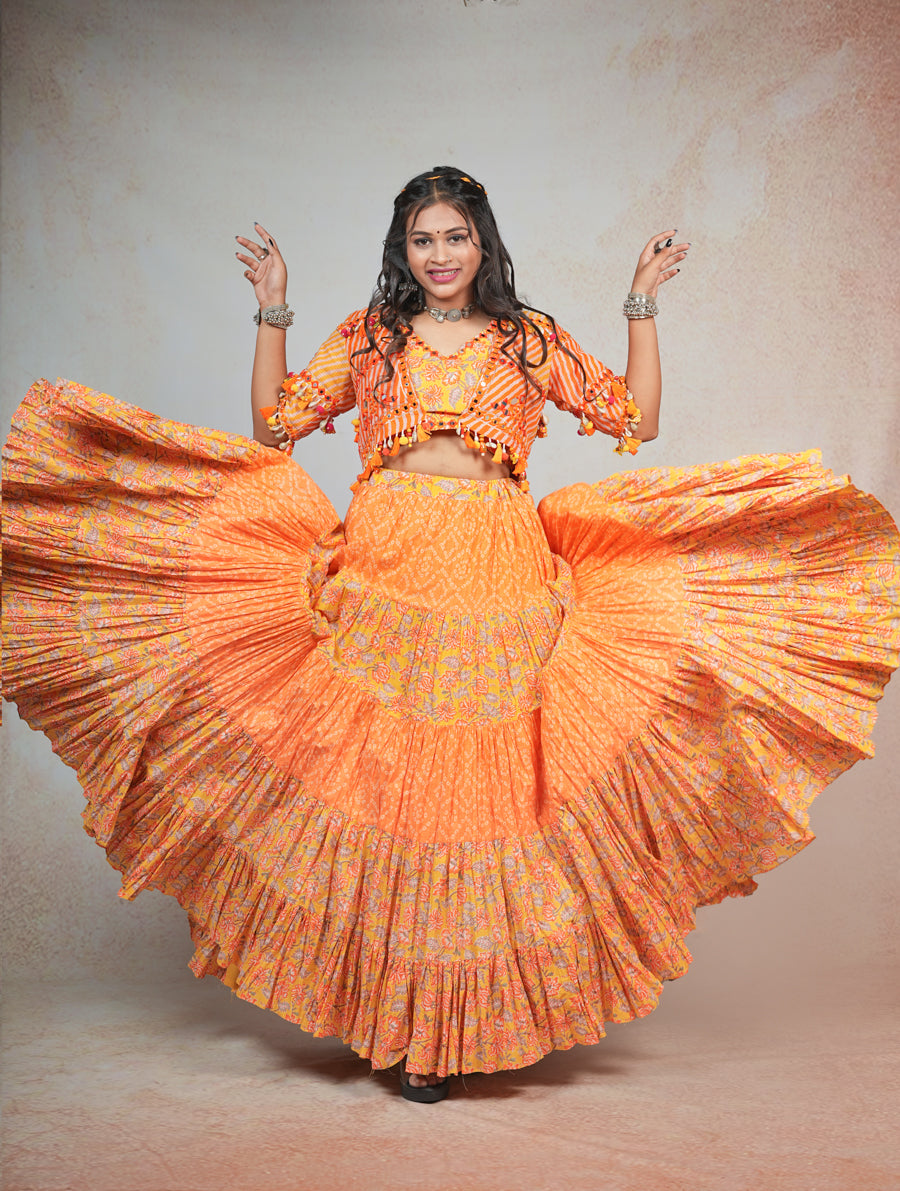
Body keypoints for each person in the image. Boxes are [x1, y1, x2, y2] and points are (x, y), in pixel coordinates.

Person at [3, 167, 898, 1106]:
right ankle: (394, 1022)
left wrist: (642, 302)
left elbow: (635, 416)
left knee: (476, 804)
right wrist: (272, 312)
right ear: (404, 249)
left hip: (495, 576)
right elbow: (275, 430)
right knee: (391, 795)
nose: (440, 257)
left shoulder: (525, 338)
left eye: (456, 238)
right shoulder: (368, 336)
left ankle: (443, 1036)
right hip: (389, 571)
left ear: (483, 245)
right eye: (424, 240)